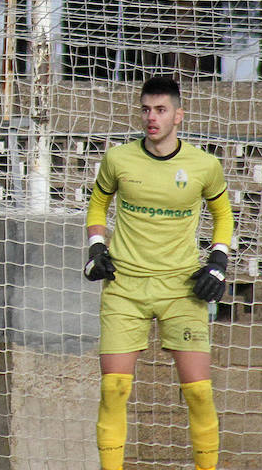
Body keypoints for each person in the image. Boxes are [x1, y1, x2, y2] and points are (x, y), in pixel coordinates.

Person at [83, 76, 233, 470]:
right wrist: (97, 249)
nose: (152, 117)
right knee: (113, 389)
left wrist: (218, 262)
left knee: (199, 393)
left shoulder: (204, 165)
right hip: (125, 288)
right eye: (146, 109)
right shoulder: (118, 159)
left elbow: (223, 214)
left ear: (178, 115)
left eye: (161, 109)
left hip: (182, 290)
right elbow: (97, 205)